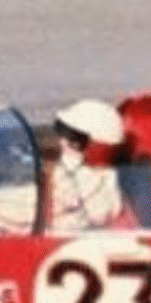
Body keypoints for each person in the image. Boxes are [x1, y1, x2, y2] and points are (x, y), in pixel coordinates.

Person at [46, 98, 127, 232]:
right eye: (62, 132)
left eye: (73, 139)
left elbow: (95, 215)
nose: (62, 142)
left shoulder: (102, 184)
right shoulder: (64, 170)